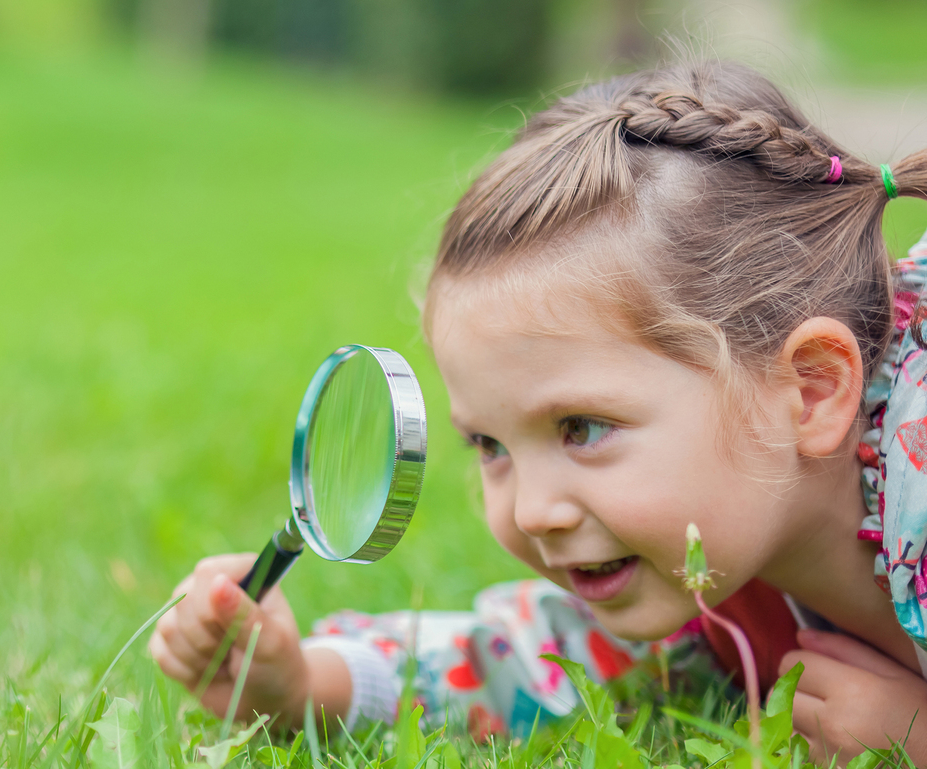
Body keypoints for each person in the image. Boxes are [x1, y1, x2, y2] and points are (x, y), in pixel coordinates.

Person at [147, 60, 927, 764]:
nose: (531, 510)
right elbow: (541, 657)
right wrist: (302, 683)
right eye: (489, 445)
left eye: (582, 428)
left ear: (812, 391)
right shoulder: (711, 561)